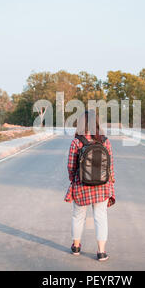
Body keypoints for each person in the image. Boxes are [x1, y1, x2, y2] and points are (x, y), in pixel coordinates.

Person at [64, 110, 116, 261]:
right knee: (100, 217)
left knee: (78, 216)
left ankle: (76, 247)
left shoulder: (76, 142)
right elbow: (110, 166)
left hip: (82, 185)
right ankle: (101, 252)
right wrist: (111, 181)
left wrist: (74, 180)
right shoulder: (105, 141)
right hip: (102, 185)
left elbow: (71, 166)